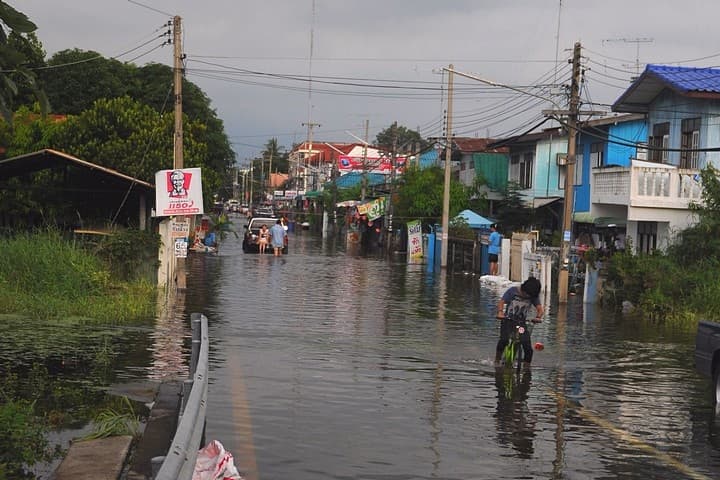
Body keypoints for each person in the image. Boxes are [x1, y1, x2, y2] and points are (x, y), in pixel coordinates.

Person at [495, 277, 544, 368]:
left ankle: (526, 368)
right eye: (527, 294)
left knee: (528, 347)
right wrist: (500, 312)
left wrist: (538, 317)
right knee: (504, 340)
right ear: (524, 289)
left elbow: (540, 309)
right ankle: (497, 360)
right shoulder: (513, 291)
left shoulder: (533, 295)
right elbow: (502, 302)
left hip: (521, 324)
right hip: (508, 321)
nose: (528, 297)